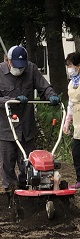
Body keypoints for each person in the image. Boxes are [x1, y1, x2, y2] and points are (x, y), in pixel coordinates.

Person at [0, 45, 60, 207]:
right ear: (7, 61)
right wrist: (12, 99)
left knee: (29, 164)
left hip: (26, 127)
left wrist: (52, 95)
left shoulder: (31, 69)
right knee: (6, 165)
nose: (20, 69)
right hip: (6, 128)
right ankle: (11, 198)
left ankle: (29, 197)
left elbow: (44, 87)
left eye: (22, 66)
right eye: (17, 66)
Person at [63, 52, 80, 189]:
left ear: (78, 66)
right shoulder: (71, 84)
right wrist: (67, 122)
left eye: (70, 65)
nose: (69, 68)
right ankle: (79, 179)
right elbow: (70, 104)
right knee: (76, 152)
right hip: (77, 123)